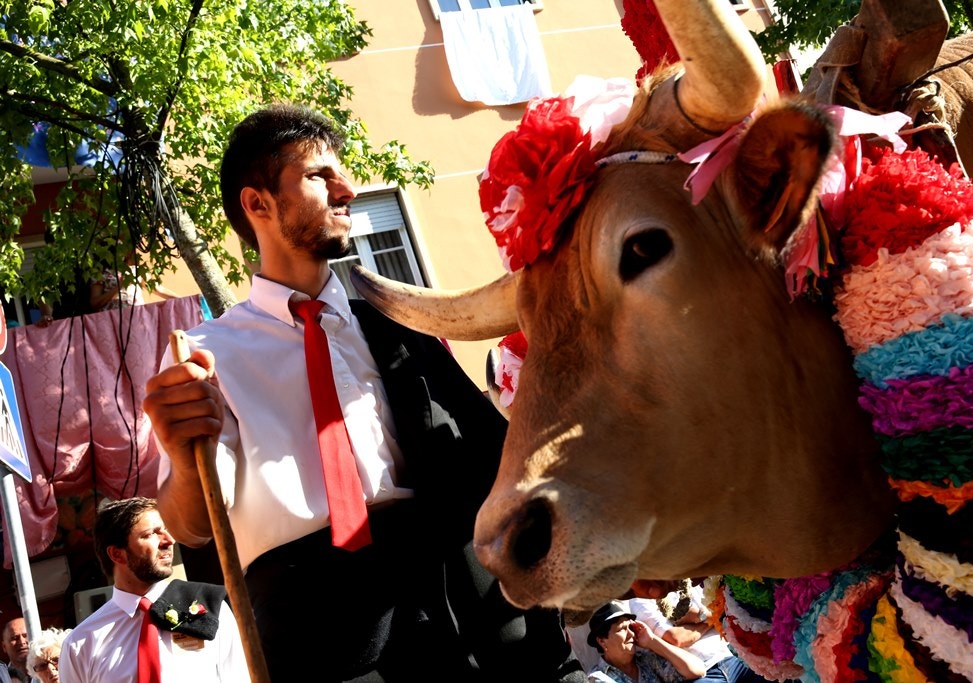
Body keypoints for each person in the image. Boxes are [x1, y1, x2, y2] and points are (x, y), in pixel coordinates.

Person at [142, 103, 582, 681]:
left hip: (470, 610)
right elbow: (193, 525)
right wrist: (179, 454)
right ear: (258, 204)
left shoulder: (403, 324)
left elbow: (494, 452)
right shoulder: (203, 354)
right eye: (320, 176)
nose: (347, 188)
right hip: (323, 637)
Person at [59, 497, 250, 683]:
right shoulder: (81, 643)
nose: (169, 540)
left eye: (166, 530)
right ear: (117, 554)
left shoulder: (209, 606)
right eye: (151, 534)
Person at [628, 583, 771, 683]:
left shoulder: (688, 583)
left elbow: (724, 615)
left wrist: (700, 617)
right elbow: (676, 638)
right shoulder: (640, 601)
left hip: (732, 658)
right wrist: (708, 618)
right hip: (705, 673)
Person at [587, 602, 707, 682]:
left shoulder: (645, 660)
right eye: (622, 629)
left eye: (631, 628)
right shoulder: (597, 678)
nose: (631, 634)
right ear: (602, 641)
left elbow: (697, 670)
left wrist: (652, 641)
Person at [3, 618, 30, 682]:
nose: (22, 642)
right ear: (4, 646)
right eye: (14, 638)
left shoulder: (53, 673)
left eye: (26, 636)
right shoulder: (2, 677)